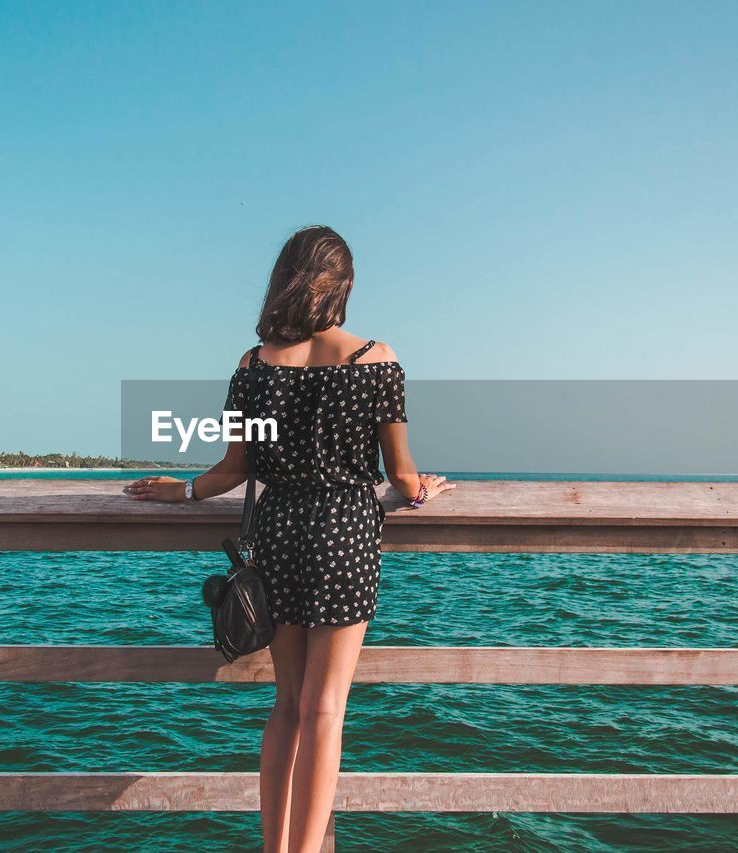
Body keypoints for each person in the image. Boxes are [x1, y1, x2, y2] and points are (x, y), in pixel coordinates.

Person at [126, 225, 453, 852]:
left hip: (279, 534)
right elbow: (401, 476)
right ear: (346, 285)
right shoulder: (376, 361)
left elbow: (233, 472)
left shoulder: (253, 368)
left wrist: (183, 491)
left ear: (284, 281)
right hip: (345, 536)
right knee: (323, 710)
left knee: (285, 708)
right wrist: (422, 492)